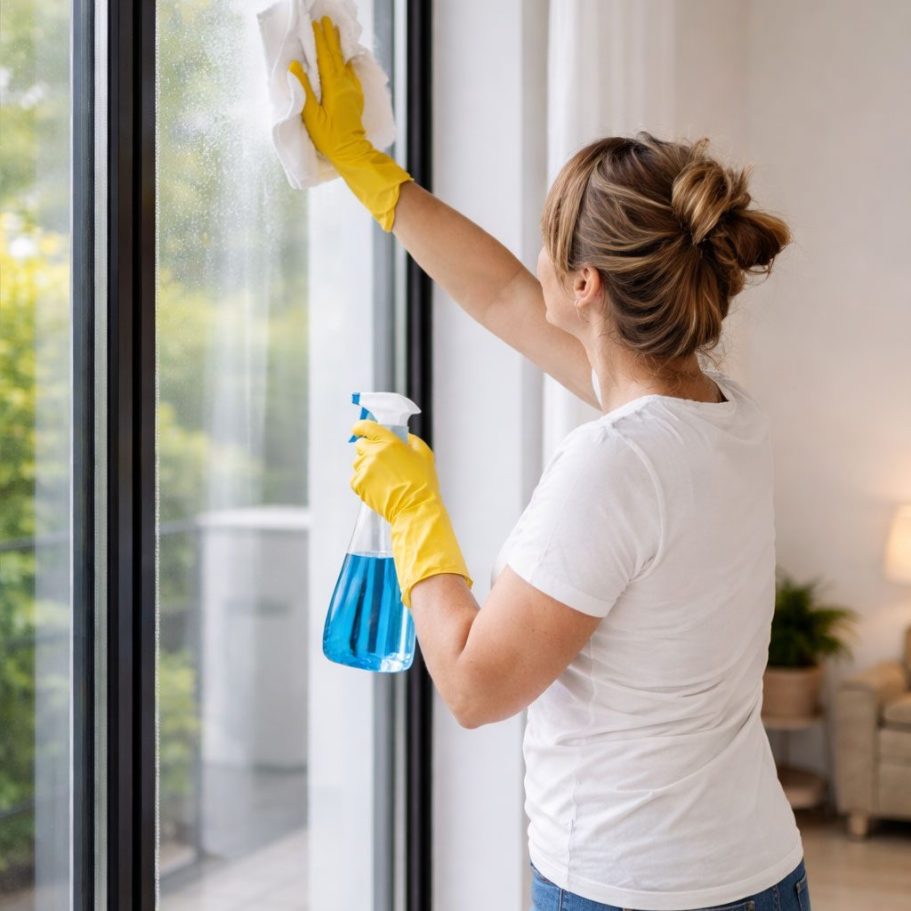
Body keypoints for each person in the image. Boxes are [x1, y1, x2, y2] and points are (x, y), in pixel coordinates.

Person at [292, 16, 812, 911]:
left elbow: (473, 684)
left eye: (547, 237)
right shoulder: (720, 416)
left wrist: (414, 509)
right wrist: (371, 175)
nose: (531, 257)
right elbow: (499, 293)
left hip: (635, 888)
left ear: (585, 284)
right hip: (755, 868)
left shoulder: (614, 464)